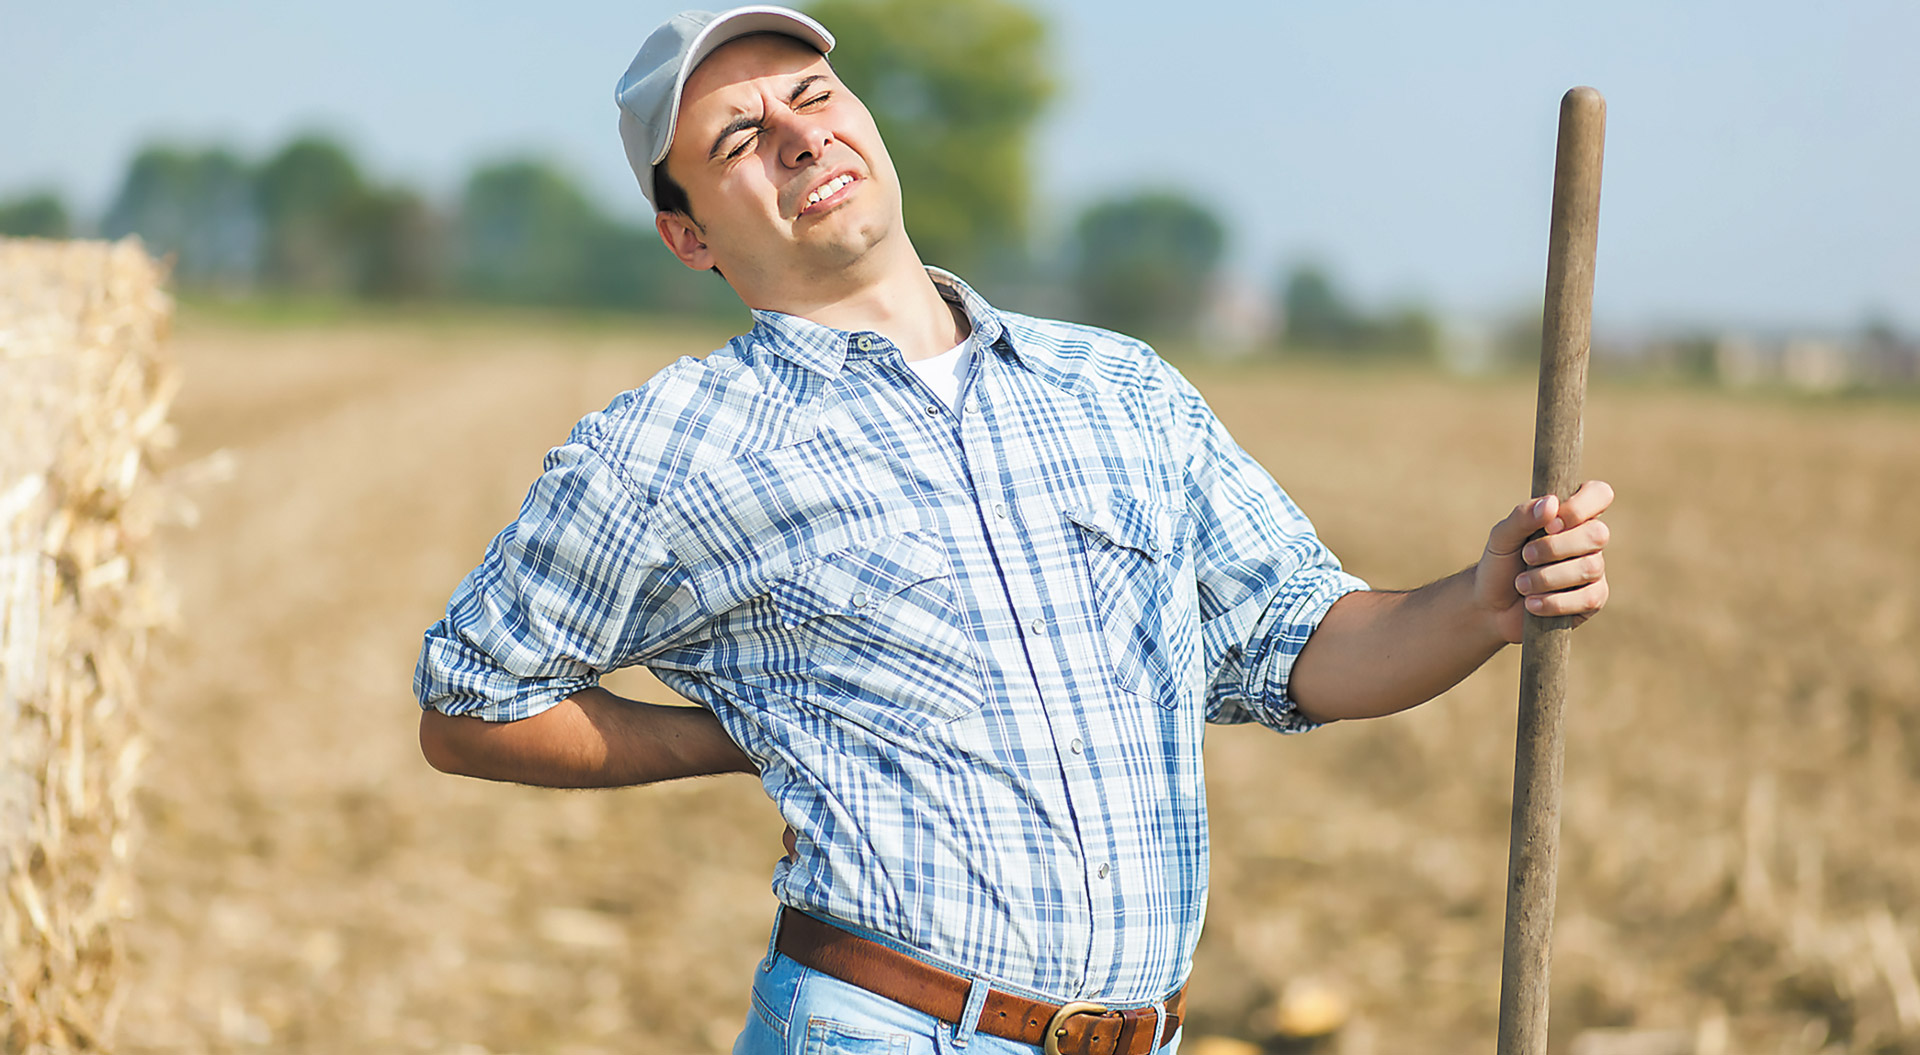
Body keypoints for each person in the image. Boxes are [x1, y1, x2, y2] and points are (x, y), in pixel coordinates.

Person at [413, 7, 1615, 1055]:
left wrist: (1478, 600)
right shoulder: (668, 450)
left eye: (815, 95)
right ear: (689, 235)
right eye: (738, 139)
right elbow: (469, 700)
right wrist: (731, 739)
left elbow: (1303, 638)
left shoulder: (1119, 387)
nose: (798, 135)